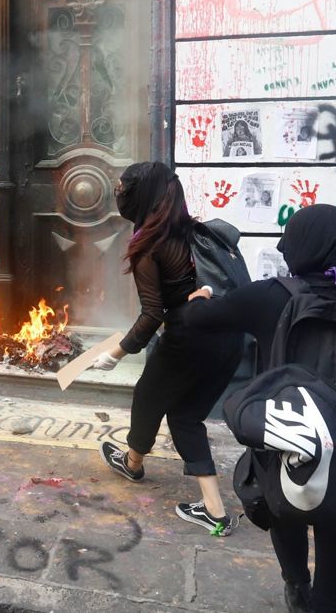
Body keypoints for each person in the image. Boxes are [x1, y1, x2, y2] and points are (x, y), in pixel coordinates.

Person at [183, 204, 336, 613]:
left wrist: (201, 297)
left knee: (282, 502)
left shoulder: (267, 297)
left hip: (285, 444)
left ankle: (295, 583)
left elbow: (198, 320)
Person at [91, 161, 245, 536]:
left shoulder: (148, 244)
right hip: (229, 339)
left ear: (139, 195)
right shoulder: (198, 231)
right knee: (185, 416)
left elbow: (152, 314)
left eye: (123, 188)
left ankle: (133, 463)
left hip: (188, 339)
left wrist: (115, 354)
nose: (119, 194)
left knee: (147, 395)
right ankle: (215, 512)